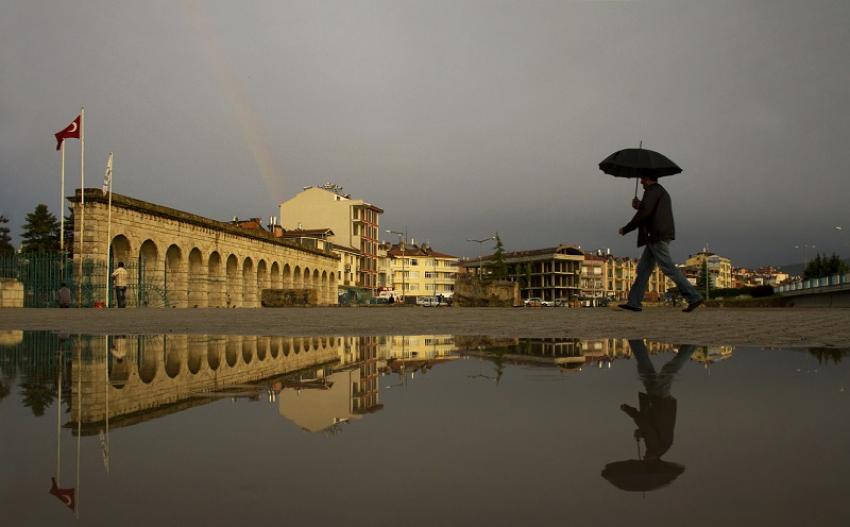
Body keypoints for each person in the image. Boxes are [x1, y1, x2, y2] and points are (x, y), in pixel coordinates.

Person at [618, 176, 703, 312]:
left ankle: (694, 297)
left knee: (668, 268)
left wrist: (627, 228)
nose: (640, 182)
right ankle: (634, 302)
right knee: (644, 269)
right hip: (658, 234)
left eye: (642, 179)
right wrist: (639, 205)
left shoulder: (652, 191)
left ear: (648, 179)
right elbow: (649, 209)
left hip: (656, 235)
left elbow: (645, 213)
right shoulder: (659, 192)